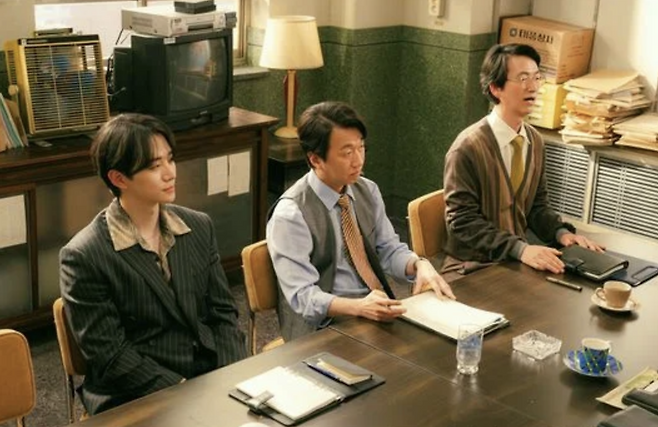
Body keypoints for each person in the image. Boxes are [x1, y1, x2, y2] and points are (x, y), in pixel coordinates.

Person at [59, 114, 247, 415]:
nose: (170, 173)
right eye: (154, 166)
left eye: (170, 159)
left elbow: (223, 312)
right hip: (135, 394)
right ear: (119, 178)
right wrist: (184, 391)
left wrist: (229, 376)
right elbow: (111, 356)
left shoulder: (198, 226)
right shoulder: (84, 255)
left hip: (207, 376)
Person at [267, 101, 455, 341]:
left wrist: (419, 265)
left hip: (375, 310)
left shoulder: (367, 190)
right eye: (347, 153)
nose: (358, 161)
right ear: (315, 159)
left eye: (361, 148)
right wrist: (358, 307)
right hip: (323, 329)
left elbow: (388, 249)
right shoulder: (291, 214)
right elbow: (302, 297)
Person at [443, 43, 603, 275]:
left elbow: (537, 206)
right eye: (523, 78)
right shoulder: (467, 148)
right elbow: (462, 222)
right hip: (471, 267)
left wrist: (561, 233)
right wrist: (520, 249)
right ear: (496, 88)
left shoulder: (534, 141)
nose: (533, 87)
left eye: (537, 78)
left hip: (513, 260)